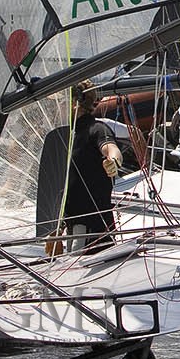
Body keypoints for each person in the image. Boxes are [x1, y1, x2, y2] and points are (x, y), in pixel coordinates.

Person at [62, 80, 123, 252]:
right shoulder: (68, 134)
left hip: (91, 227)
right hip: (72, 224)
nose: (59, 107)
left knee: (75, 273)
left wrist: (113, 162)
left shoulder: (96, 129)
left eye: (62, 102)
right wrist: (56, 232)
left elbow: (112, 149)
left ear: (75, 104)